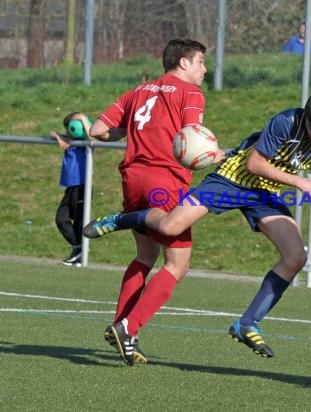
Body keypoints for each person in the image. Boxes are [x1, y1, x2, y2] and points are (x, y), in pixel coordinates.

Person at [84, 87, 311, 359]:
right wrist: (299, 181)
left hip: (264, 193)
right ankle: (120, 220)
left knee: (296, 256)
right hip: (232, 179)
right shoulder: (287, 120)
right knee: (171, 226)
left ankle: (247, 324)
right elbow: (255, 164)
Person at [87, 38, 223, 366]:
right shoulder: (190, 93)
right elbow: (192, 134)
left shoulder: (138, 91)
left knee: (145, 255)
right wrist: (213, 155)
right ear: (183, 63)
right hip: (165, 181)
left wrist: (130, 133)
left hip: (133, 177)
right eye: (201, 61)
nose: (205, 68)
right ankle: (128, 326)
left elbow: (97, 129)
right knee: (177, 264)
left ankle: (121, 325)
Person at [49, 112, 92, 266]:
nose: (70, 131)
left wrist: (82, 119)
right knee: (61, 218)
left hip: (81, 186)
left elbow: (92, 136)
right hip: (70, 187)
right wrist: (58, 136)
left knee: (80, 221)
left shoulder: (86, 144)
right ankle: (78, 248)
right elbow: (51, 133)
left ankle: (79, 253)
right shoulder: (69, 141)